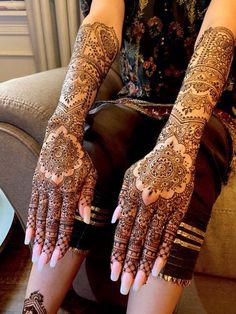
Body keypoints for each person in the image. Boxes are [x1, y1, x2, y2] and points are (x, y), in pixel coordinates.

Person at [23, 0, 236, 313]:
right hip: (135, 99)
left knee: (182, 175)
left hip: (208, 112)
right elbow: (102, 20)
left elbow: (220, 28)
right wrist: (63, 129)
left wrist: (177, 145)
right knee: (85, 154)